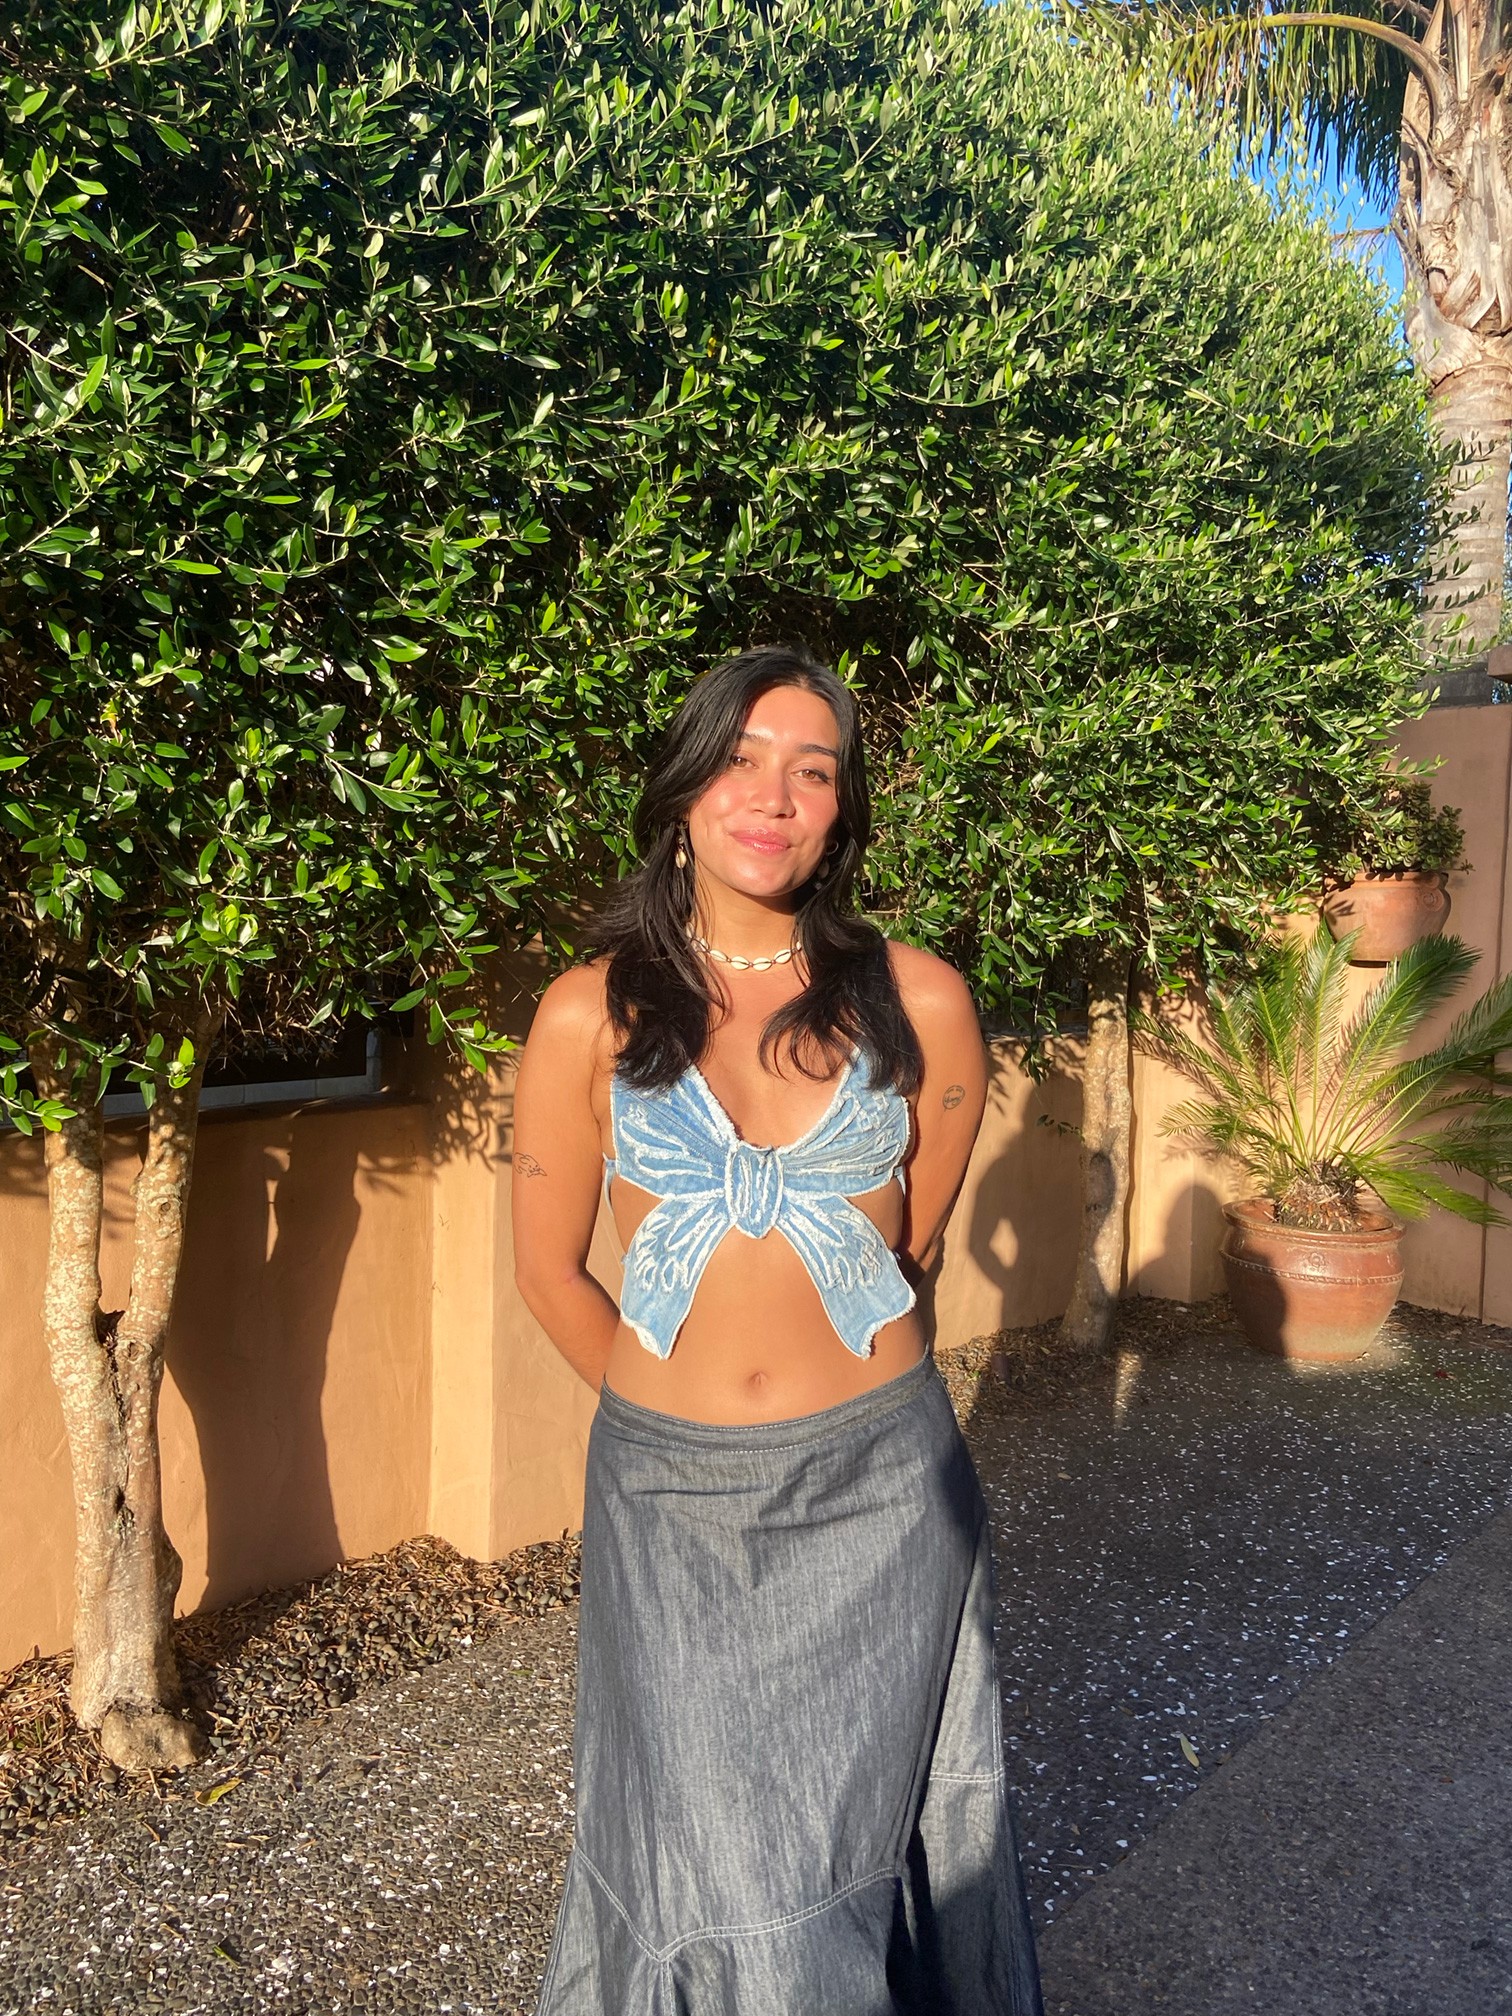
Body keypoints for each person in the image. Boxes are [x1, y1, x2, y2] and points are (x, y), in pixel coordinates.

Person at [513, 644, 1042, 2015]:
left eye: (814, 771)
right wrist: (665, 1414)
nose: (775, 795)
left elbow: (906, 1253)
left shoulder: (921, 1002)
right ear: (684, 789)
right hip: (669, 1497)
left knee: (850, 1834)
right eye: (742, 760)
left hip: (882, 1494)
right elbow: (550, 1273)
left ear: (843, 811)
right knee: (701, 1842)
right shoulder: (586, 1013)